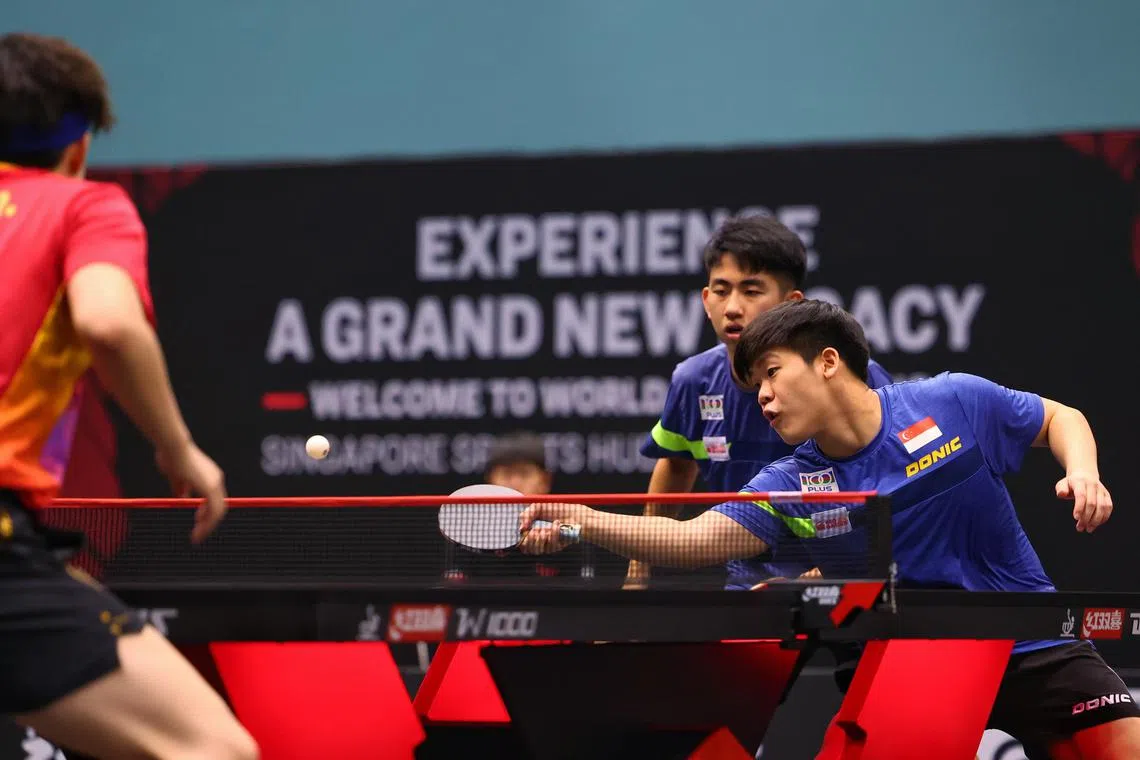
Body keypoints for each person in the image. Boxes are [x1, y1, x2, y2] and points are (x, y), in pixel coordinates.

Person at [520, 299, 1140, 759]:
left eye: (770, 372)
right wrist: (580, 520)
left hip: (1032, 642)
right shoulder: (791, 483)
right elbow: (693, 541)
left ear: (827, 361)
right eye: (752, 383)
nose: (761, 395)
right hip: (910, 664)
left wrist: (1084, 473)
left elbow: (1060, 417)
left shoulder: (951, 402)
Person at [0, 32, 258, 759]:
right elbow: (109, 321)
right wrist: (179, 449)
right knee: (213, 749)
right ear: (77, 146)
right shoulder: (83, 208)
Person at [627, 214, 891, 590]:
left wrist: (837, 568)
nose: (732, 307)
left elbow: (890, 479)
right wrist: (637, 577)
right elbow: (675, 468)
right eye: (721, 290)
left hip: (843, 579)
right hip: (746, 584)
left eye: (751, 291)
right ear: (706, 300)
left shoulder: (851, 376)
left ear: (791, 303)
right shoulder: (693, 381)